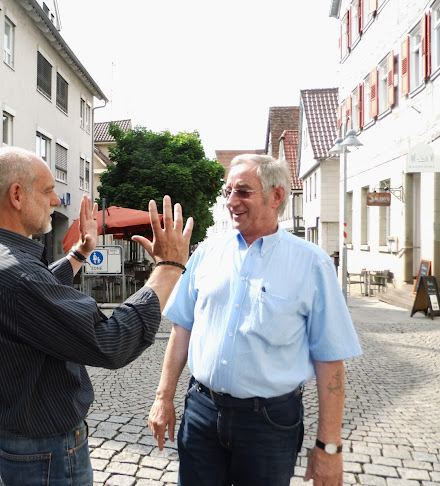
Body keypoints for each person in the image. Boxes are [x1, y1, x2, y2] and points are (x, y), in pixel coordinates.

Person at [0, 146, 193, 486]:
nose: (56, 200)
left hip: (11, 440)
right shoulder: (16, 274)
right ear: (17, 195)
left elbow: (36, 295)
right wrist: (168, 269)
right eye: (49, 190)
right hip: (45, 452)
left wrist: (80, 252)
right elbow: (110, 342)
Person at [148, 154, 362, 486]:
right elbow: (182, 329)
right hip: (202, 412)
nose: (231, 201)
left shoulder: (312, 264)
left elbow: (330, 361)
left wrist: (329, 447)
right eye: (227, 191)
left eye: (243, 192)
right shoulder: (206, 253)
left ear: (276, 196)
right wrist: (164, 398)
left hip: (270, 425)